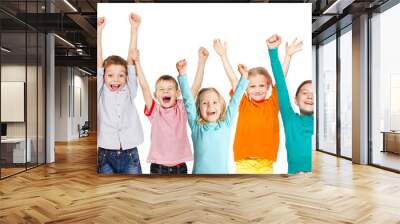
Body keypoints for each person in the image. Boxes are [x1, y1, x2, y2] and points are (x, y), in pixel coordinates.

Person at [213, 38, 302, 174]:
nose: (257, 89)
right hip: (244, 163)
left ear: (268, 87)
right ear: (246, 89)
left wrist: (288, 56)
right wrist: (223, 56)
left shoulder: (273, 103)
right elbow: (233, 80)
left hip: (266, 163)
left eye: (261, 85)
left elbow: (281, 80)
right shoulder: (242, 103)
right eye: (252, 86)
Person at [176, 58, 249, 174]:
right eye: (204, 103)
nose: (210, 105)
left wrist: (244, 78)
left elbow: (235, 101)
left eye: (215, 102)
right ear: (199, 108)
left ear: (221, 106)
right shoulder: (197, 127)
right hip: (198, 182)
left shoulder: (226, 123)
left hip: (222, 182)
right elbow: (188, 101)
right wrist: (182, 75)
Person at [96, 14, 144, 174]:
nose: (115, 80)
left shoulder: (129, 89)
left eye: (121, 75)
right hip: (105, 153)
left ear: (126, 77)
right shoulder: (101, 91)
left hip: (130, 153)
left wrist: (134, 29)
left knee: (133, 194)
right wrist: (99, 32)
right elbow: (99, 61)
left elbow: (131, 60)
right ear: (104, 76)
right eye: (110, 75)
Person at [267, 34, 314, 174]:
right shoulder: (290, 119)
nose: (310, 96)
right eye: (305, 92)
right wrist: (274, 52)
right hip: (294, 183)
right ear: (296, 100)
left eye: (314, 93)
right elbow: (280, 84)